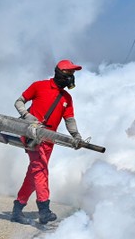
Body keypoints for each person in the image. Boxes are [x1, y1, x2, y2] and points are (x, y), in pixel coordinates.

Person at [10, 59, 84, 225]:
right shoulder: (39, 86)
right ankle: (44, 210)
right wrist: (29, 117)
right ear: (59, 73)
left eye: (73, 74)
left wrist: (76, 136)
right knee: (41, 170)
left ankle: (17, 208)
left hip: (49, 139)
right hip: (31, 135)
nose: (71, 77)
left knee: (34, 173)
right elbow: (19, 102)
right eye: (69, 73)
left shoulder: (67, 98)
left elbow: (69, 119)